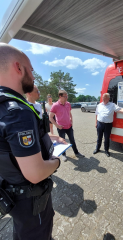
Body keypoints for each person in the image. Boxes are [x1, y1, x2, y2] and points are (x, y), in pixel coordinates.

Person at [0, 43, 67, 240]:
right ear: (18, 68)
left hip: (10, 189)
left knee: (22, 232)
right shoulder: (17, 111)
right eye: (31, 69)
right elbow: (35, 173)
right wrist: (56, 161)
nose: (34, 75)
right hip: (29, 199)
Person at [93, 93, 123, 157]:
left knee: (107, 138)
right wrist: (96, 123)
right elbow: (97, 114)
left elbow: (121, 110)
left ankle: (106, 150)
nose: (103, 99)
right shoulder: (99, 105)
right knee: (99, 137)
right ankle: (97, 148)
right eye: (103, 98)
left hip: (108, 125)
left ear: (108, 98)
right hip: (100, 123)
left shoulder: (112, 105)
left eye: (105, 98)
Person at [49, 90, 85, 162]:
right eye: (65, 96)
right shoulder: (55, 105)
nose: (66, 98)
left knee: (72, 140)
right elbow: (50, 117)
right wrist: (57, 125)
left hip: (69, 126)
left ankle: (76, 152)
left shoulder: (68, 104)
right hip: (61, 127)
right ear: (60, 96)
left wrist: (71, 120)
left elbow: (69, 113)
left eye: (67, 96)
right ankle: (64, 155)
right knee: (62, 141)